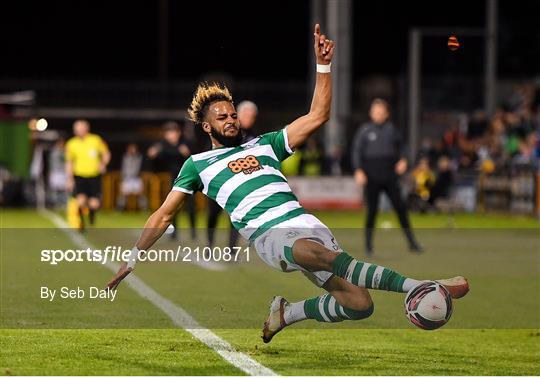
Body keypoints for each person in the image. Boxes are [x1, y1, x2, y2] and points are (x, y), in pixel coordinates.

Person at [106, 24, 468, 343]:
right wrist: (133, 258)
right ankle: (417, 286)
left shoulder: (265, 143)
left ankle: (288, 313)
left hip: (305, 223)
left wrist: (323, 66)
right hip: (268, 235)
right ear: (206, 127)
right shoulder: (197, 164)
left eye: (233, 114)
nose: (231, 119)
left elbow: (318, 115)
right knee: (322, 255)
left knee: (359, 305)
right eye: (222, 117)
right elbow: (163, 215)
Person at [351, 99, 422, 255]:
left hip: (390, 176)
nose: (379, 114)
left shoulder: (392, 130)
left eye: (381, 112)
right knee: (372, 211)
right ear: (371, 113)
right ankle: (368, 246)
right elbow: (356, 151)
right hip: (371, 176)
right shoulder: (364, 130)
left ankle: (412, 243)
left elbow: (403, 148)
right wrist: (358, 170)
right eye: (376, 111)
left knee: (401, 208)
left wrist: (404, 160)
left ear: (387, 113)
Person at [207, 100, 258, 250]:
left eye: (252, 116)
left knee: (236, 216)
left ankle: (232, 250)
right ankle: (209, 245)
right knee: (213, 214)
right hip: (219, 179)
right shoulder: (226, 129)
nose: (250, 118)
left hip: (239, 182)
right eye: (247, 114)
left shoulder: (254, 136)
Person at [147, 121, 196, 240]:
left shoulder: (185, 143)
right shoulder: (163, 146)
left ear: (178, 133)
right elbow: (156, 163)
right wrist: (152, 156)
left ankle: (193, 232)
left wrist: (187, 154)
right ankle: (174, 232)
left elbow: (195, 159)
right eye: (169, 133)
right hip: (174, 180)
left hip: (189, 179)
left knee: (191, 207)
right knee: (173, 208)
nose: (171, 135)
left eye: (173, 132)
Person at [65, 119, 110, 230]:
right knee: (80, 201)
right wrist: (69, 179)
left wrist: (103, 164)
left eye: (81, 128)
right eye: (77, 128)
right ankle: (81, 223)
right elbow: (69, 162)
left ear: (86, 128)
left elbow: (106, 154)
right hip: (80, 176)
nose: (78, 130)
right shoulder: (71, 143)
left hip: (94, 176)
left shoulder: (95, 140)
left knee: (94, 204)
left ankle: (91, 213)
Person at [117, 143, 146, 210]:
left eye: (133, 149)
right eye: (131, 149)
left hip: (136, 178)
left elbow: (139, 165)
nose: (132, 150)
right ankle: (119, 208)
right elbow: (124, 168)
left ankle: (144, 208)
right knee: (123, 194)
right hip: (127, 178)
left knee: (140, 194)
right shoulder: (126, 157)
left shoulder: (138, 157)